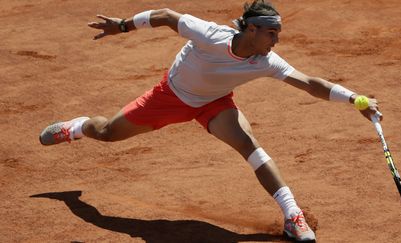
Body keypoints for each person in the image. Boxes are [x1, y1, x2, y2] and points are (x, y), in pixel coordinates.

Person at [39, 0, 381, 241]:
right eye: (271, 33)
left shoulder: (266, 60)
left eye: (277, 34)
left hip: (214, 104)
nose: (276, 41)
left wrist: (354, 99)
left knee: (249, 146)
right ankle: (78, 126)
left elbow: (309, 83)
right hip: (169, 98)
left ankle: (293, 217)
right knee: (107, 132)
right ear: (250, 28)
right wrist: (124, 26)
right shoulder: (211, 35)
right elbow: (165, 15)